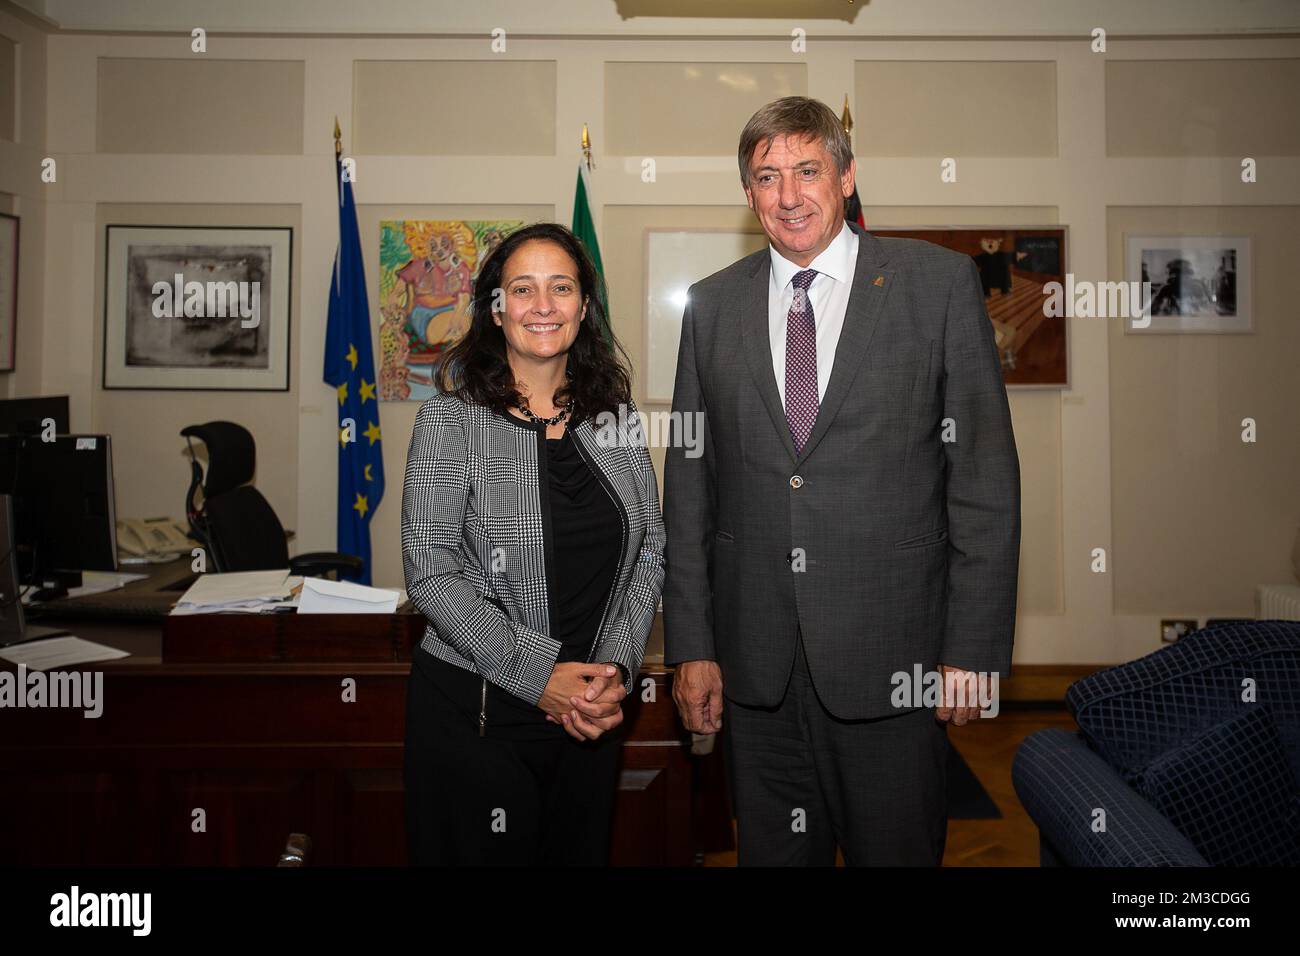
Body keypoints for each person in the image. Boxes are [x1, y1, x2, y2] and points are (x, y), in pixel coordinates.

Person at [663, 96, 1021, 866]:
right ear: (748, 193)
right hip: (756, 673)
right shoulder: (711, 308)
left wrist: (973, 653)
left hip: (896, 663)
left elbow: (984, 484)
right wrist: (691, 645)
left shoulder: (938, 286)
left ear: (847, 176)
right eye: (766, 177)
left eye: (806, 170)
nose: (788, 196)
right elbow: (689, 490)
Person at [402, 221, 665, 865]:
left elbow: (650, 546)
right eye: (523, 289)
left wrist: (611, 676)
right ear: (496, 309)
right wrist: (539, 675)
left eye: (561, 288)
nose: (543, 305)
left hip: (589, 719)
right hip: (480, 718)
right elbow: (433, 570)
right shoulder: (449, 420)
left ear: (584, 307)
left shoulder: (615, 418)